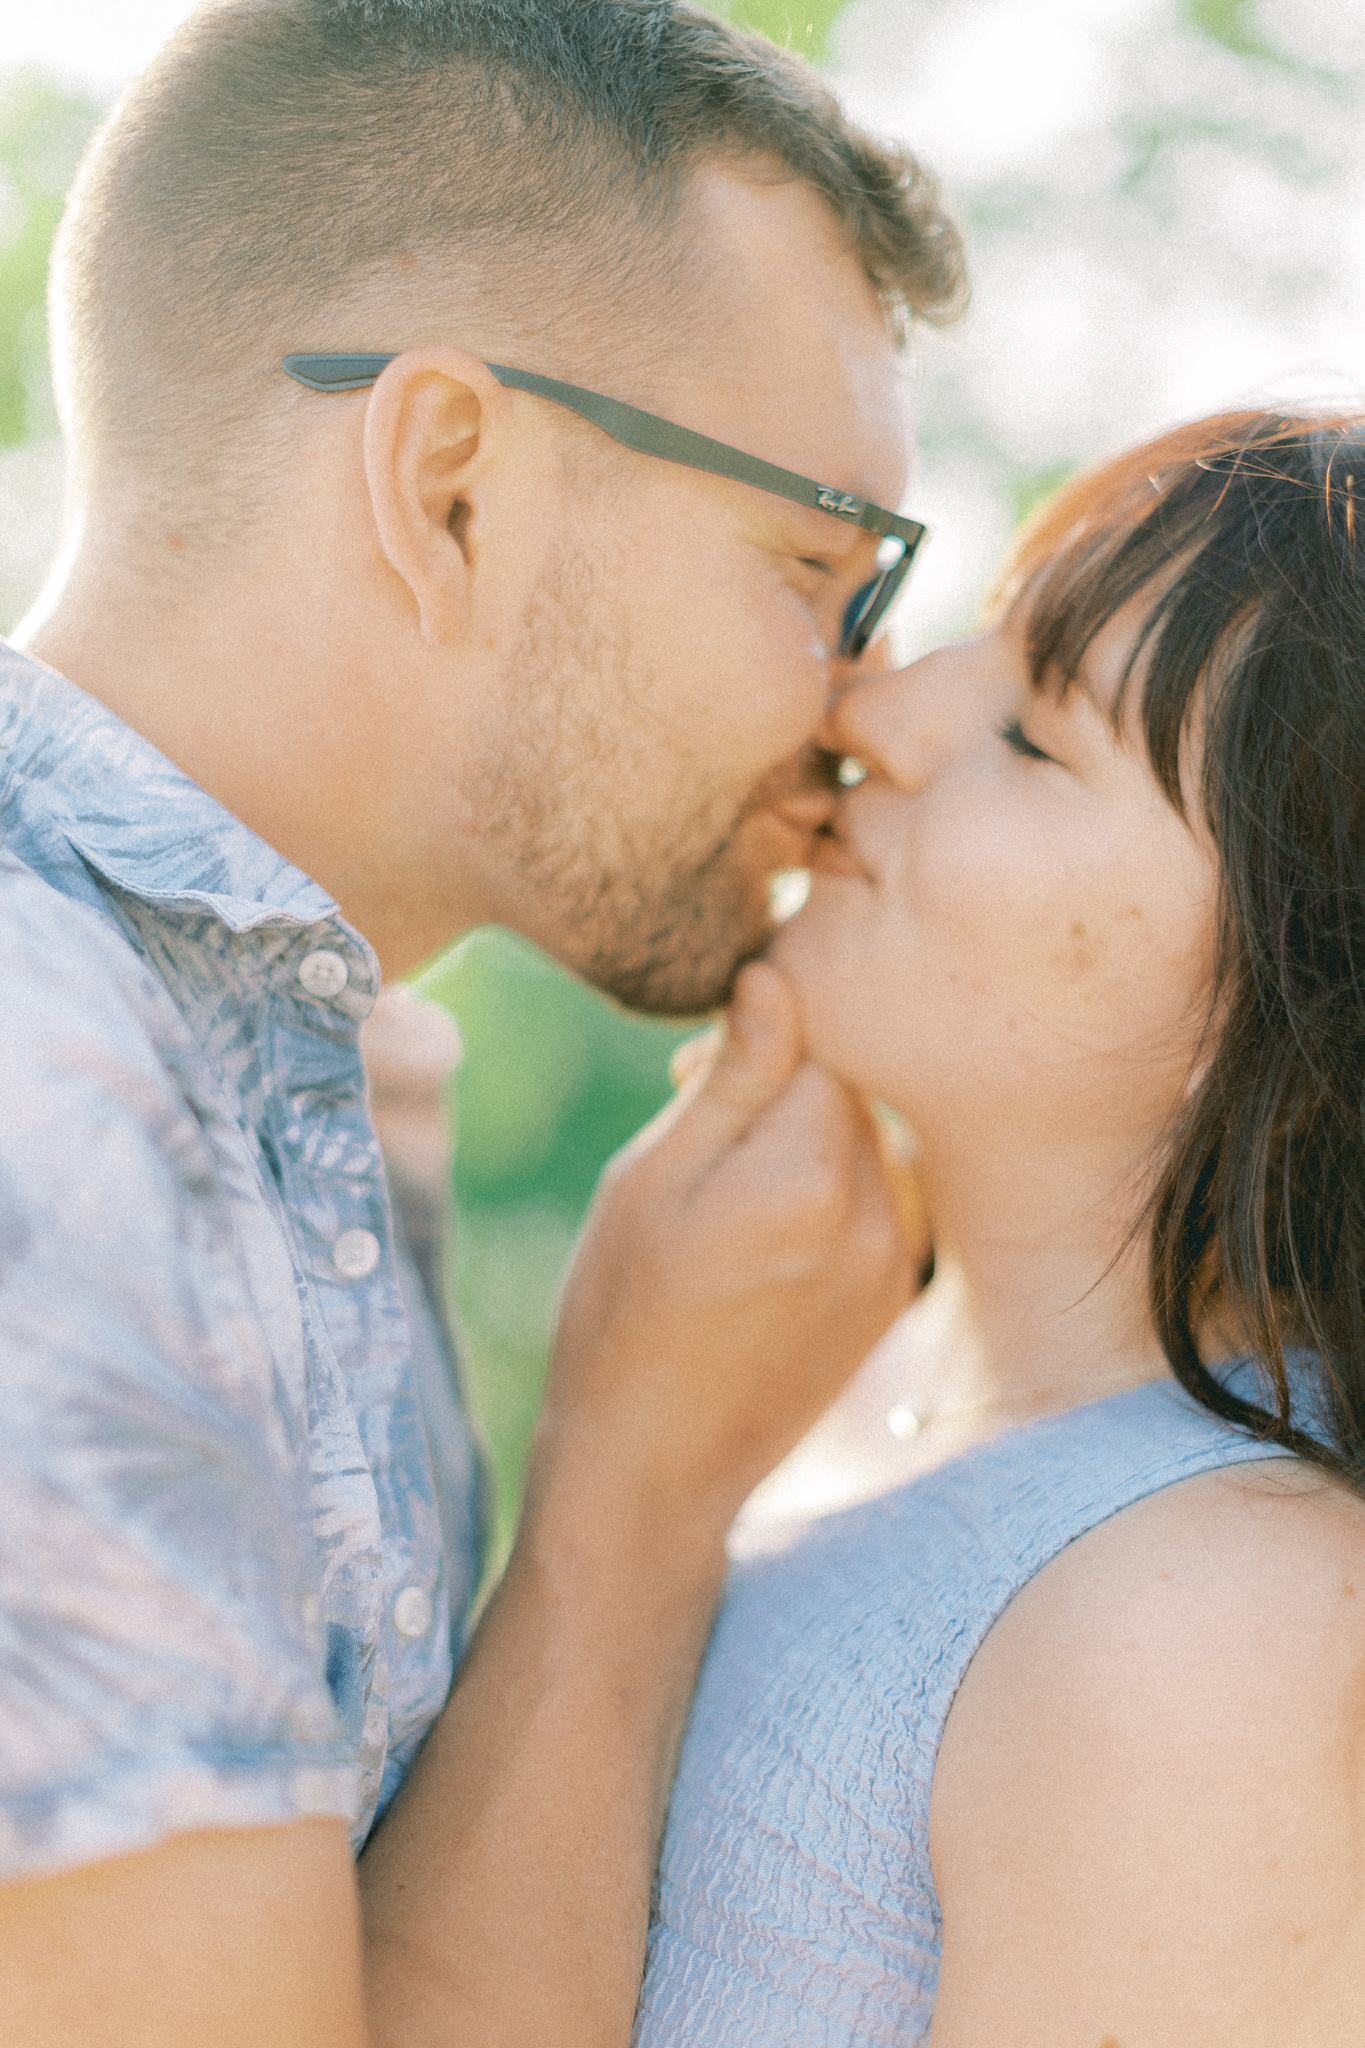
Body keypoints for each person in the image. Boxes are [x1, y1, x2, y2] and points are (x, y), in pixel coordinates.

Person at [0, 3, 964, 2041]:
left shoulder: (301, 1079)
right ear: (448, 480)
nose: (866, 704)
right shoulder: (44, 1096)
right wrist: (629, 1490)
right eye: (817, 566)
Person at [635, 409, 1365, 2046]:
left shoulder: (1214, 1619)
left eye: (1037, 738)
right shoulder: (805, 1366)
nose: (872, 710)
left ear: (1304, 1008)